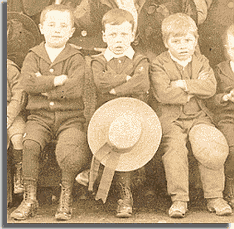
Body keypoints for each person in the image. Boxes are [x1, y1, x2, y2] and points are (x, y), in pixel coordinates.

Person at [10, 4, 91, 221]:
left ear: (71, 31)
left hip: (70, 118)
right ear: (41, 28)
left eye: (63, 26)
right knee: (30, 144)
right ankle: (30, 199)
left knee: (70, 149)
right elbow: (27, 82)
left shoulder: (75, 57)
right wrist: (55, 81)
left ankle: (65, 199)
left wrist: (43, 87)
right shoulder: (33, 55)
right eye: (51, 25)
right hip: (40, 117)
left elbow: (75, 88)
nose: (57, 30)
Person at [150, 13, 232, 218]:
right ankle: (179, 199)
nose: (183, 46)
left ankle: (215, 196)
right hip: (172, 119)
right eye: (176, 41)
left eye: (188, 40)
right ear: (166, 42)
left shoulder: (201, 61)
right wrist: (194, 90)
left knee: (210, 143)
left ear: (196, 40)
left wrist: (183, 84)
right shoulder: (158, 64)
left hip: (199, 116)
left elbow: (210, 87)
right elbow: (163, 93)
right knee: (175, 149)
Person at [89, 8, 150, 218]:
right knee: (114, 132)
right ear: (104, 36)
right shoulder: (98, 61)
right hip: (106, 115)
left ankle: (124, 195)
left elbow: (142, 83)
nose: (118, 40)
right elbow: (99, 82)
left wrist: (114, 89)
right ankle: (104, 181)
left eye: (124, 34)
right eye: (113, 35)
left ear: (133, 36)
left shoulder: (140, 60)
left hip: (134, 113)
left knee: (125, 135)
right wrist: (126, 79)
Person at [207, 24, 234, 208]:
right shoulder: (220, 69)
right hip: (228, 116)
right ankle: (230, 184)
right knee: (232, 146)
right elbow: (211, 99)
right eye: (231, 48)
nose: (233, 52)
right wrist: (226, 97)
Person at [7, 59, 26, 195]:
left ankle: (19, 175)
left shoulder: (9, 67)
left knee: (19, 137)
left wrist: (8, 116)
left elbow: (19, 94)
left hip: (10, 112)